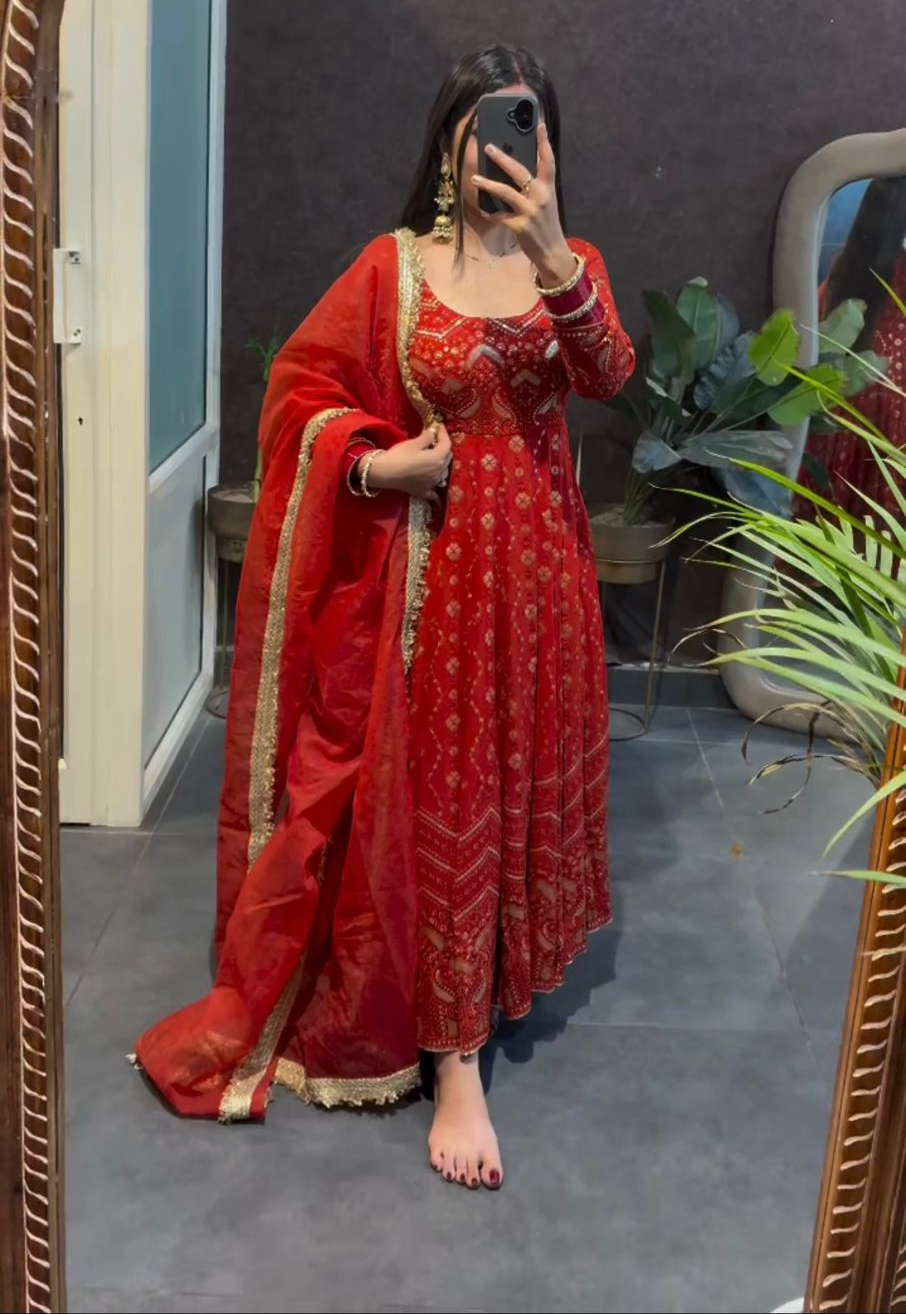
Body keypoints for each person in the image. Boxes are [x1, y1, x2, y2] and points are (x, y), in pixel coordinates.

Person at [132, 44, 635, 1191]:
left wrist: (555, 251)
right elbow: (299, 397)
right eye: (478, 130)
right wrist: (377, 469)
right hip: (435, 583)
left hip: (544, 578)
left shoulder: (575, 265)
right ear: (447, 143)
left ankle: (498, 974)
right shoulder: (393, 267)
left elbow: (608, 376)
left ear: (548, 147)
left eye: (521, 129)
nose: (497, 152)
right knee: (449, 805)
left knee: (520, 782)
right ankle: (455, 1065)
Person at [799, 176, 906, 518]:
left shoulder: (851, 269)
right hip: (876, 414)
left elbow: (813, 336)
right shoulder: (855, 270)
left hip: (848, 409)